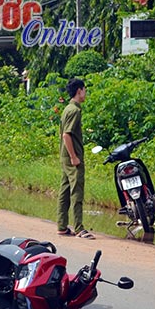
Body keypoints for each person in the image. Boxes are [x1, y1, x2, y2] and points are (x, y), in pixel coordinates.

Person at [57, 78, 94, 239]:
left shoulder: (67, 109)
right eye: (84, 90)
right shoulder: (75, 111)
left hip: (64, 155)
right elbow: (66, 135)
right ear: (79, 91)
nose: (85, 93)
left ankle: (62, 226)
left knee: (65, 190)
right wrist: (74, 157)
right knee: (76, 191)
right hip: (72, 156)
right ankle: (79, 228)